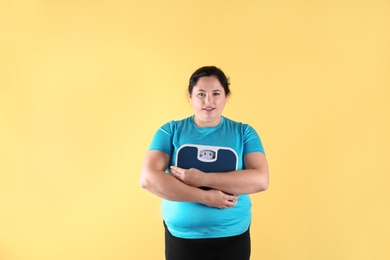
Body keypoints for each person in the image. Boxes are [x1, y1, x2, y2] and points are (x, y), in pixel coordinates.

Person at [140, 66, 269, 260]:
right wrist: (205, 197)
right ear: (190, 97)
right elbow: (148, 179)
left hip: (232, 236)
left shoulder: (244, 133)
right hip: (182, 238)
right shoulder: (170, 131)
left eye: (216, 93)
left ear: (226, 96)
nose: (208, 101)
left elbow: (260, 180)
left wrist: (203, 178)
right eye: (201, 94)